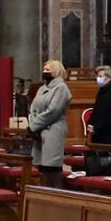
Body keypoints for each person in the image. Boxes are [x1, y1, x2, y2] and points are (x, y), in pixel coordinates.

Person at [27, 61, 72, 189]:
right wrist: (33, 125)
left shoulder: (61, 88)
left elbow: (54, 111)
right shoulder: (42, 88)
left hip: (53, 130)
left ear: (56, 71)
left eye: (48, 70)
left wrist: (34, 126)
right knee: (41, 167)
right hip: (39, 131)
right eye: (44, 69)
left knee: (51, 167)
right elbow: (33, 108)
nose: (44, 72)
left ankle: (56, 196)